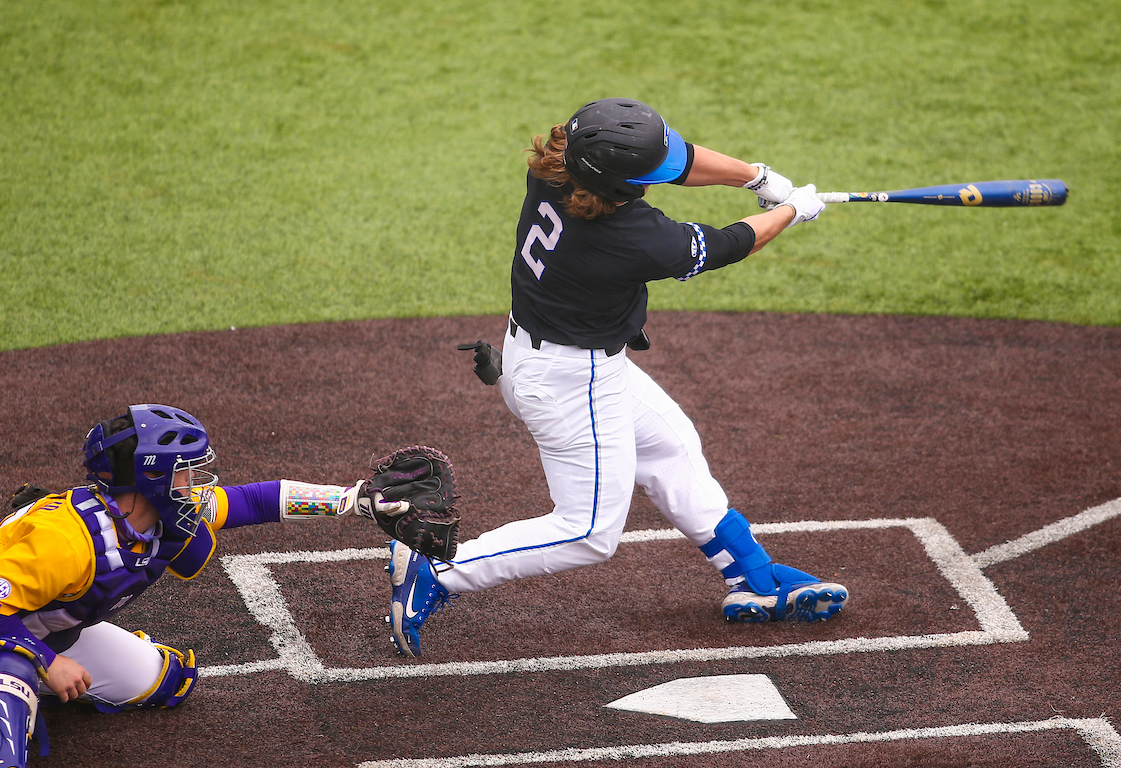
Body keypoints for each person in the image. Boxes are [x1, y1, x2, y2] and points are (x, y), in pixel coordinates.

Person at [385, 98, 848, 658]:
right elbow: (728, 244)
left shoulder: (558, 160)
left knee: (669, 446)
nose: (663, 176)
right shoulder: (635, 238)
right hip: (567, 382)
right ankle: (439, 571)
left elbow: (680, 161)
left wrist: (760, 177)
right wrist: (792, 211)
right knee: (588, 533)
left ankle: (751, 574)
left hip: (559, 358)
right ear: (621, 186)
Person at [0, 403, 393, 767]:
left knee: (165, 681)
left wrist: (352, 500)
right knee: (13, 681)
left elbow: (257, 501)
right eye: (185, 471)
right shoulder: (67, 541)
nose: (196, 482)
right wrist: (47, 663)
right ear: (150, 478)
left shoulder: (155, 516)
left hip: (49, 628)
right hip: (11, 631)